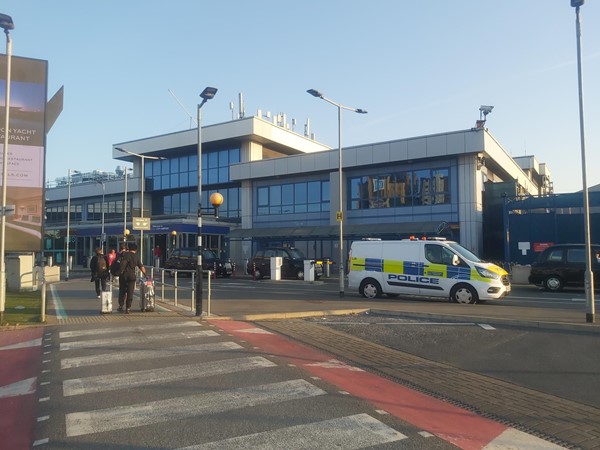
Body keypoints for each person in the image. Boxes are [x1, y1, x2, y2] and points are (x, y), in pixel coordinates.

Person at [118, 242, 146, 313]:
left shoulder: (126, 255)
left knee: (122, 291)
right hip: (132, 276)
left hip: (124, 275)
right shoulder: (136, 256)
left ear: (129, 248)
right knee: (130, 292)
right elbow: (141, 266)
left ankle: (121, 305)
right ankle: (128, 307)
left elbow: (123, 264)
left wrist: (120, 272)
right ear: (136, 249)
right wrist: (145, 274)